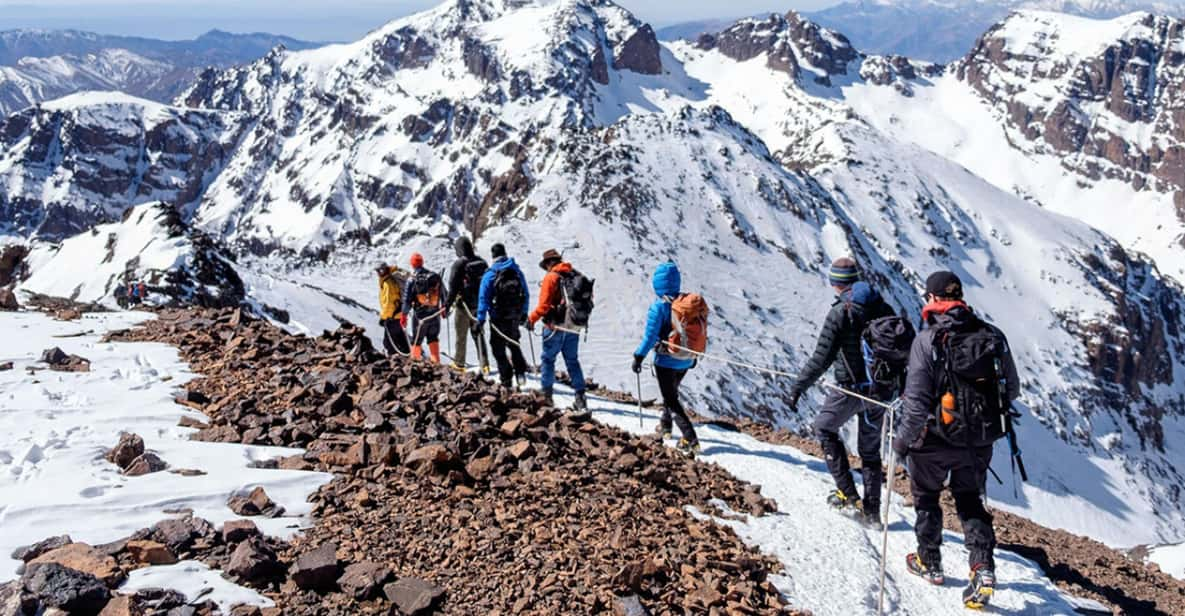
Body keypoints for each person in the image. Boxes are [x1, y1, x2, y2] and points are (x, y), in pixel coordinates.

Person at [892, 271, 1018, 609]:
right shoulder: (993, 336)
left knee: (927, 497)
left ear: (933, 300)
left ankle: (929, 561)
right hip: (978, 440)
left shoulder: (927, 340)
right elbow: (1013, 389)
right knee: (969, 500)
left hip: (932, 439)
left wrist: (901, 443)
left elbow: (916, 402)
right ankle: (983, 569)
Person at [787, 257, 895, 527]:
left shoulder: (840, 313)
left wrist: (799, 386)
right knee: (870, 453)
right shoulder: (883, 307)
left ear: (835, 283)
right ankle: (872, 512)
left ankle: (848, 494)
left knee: (824, 428)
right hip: (880, 392)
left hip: (849, 389)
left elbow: (821, 358)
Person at [632, 261, 699, 456]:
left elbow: (650, 337)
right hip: (686, 359)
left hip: (666, 361)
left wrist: (638, 357)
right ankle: (665, 426)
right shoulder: (688, 304)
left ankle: (690, 438)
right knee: (671, 392)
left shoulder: (659, 307)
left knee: (671, 399)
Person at [528, 248, 587, 410]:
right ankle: (580, 396)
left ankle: (547, 395)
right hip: (573, 327)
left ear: (548, 263)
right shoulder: (575, 275)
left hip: (554, 326)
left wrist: (531, 319)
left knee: (548, 359)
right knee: (572, 361)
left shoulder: (551, 277)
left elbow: (544, 306)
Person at [476, 243, 530, 390]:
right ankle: (520, 373)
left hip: (497, 318)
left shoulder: (490, 274)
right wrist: (524, 313)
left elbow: (483, 299)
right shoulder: (516, 271)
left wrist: (480, 319)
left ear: (493, 256)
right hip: (514, 316)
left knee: (497, 348)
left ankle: (506, 379)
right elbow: (525, 293)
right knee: (514, 342)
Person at [445, 236, 490, 374]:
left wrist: (446, 307)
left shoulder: (459, 264)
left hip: (463, 305)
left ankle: (459, 363)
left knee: (461, 335)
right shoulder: (482, 262)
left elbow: (453, 289)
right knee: (479, 333)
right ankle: (485, 364)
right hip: (479, 305)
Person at [402, 252, 446, 364]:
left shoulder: (412, 280)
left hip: (420, 317)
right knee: (433, 338)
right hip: (434, 314)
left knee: (416, 341)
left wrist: (404, 316)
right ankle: (436, 364)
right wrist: (444, 309)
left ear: (412, 264)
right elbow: (444, 294)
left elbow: (407, 301)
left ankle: (415, 364)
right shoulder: (435, 277)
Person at [376, 262, 410, 356]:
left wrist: (384, 318)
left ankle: (396, 362)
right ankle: (409, 358)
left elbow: (389, 303)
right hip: (399, 315)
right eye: (378, 271)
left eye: (381, 270)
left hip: (392, 317)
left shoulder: (388, 283)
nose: (379, 273)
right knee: (400, 339)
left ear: (386, 269)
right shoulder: (390, 280)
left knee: (388, 343)